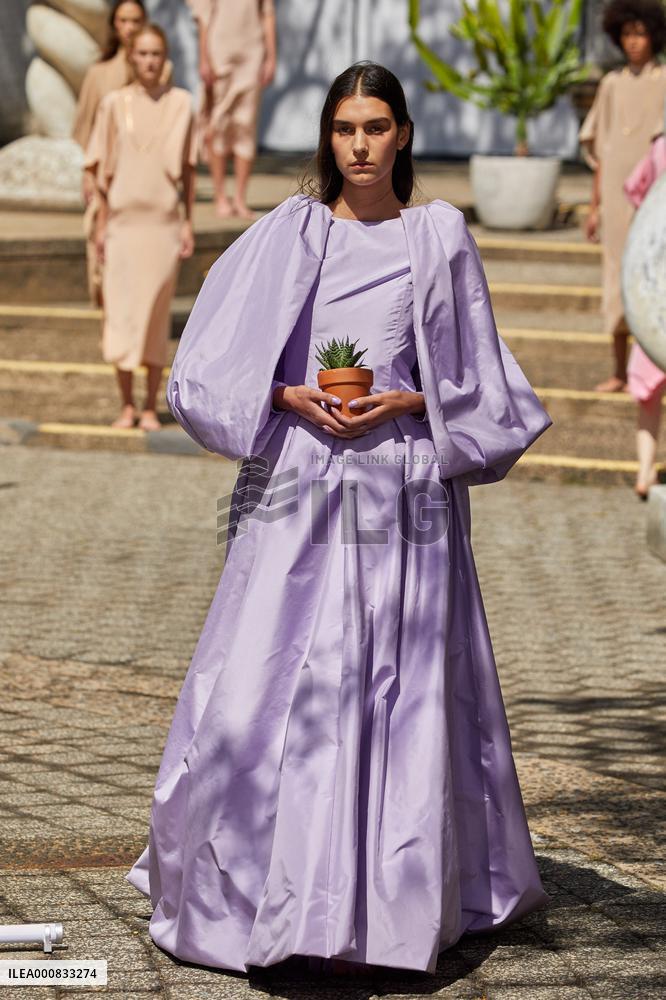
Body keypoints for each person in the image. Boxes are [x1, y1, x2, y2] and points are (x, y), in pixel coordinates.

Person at [125, 62, 552, 976]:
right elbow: (208, 365)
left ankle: (392, 901)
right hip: (300, 478)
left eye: (377, 127)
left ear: (404, 135)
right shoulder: (293, 231)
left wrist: (410, 402)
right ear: (329, 137)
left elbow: (481, 380)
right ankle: (259, 890)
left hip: (401, 485)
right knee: (274, 670)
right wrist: (288, 394)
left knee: (398, 679)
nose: (360, 146)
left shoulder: (438, 236)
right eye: (345, 128)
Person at [83, 25, 196, 431]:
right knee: (121, 316)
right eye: (143, 53)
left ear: (165, 58)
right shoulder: (113, 104)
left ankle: (150, 405)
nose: (149, 61)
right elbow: (99, 171)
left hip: (162, 225)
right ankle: (127, 404)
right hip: (121, 225)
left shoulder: (182, 103)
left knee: (153, 316)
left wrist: (188, 223)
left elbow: (188, 169)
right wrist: (100, 227)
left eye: (156, 54)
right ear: (131, 57)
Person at [580, 0, 666, 392]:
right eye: (627, 34)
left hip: (656, 195)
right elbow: (601, 152)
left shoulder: (663, 79)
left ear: (654, 36)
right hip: (615, 196)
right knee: (616, 278)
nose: (634, 42)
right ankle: (619, 371)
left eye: (641, 33)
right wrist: (594, 206)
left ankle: (652, 373)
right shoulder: (611, 84)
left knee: (656, 275)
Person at [72, 0, 173, 307]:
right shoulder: (99, 73)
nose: (129, 28)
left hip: (148, 184)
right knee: (102, 261)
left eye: (135, 20)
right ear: (114, 25)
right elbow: (85, 128)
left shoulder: (163, 72)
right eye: (123, 21)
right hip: (108, 180)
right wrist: (88, 175)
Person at [187, 0, 277, 219]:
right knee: (218, 123)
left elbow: (267, 14)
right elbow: (203, 16)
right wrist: (204, 58)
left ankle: (239, 199)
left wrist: (271, 57)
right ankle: (220, 196)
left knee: (246, 124)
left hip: (252, 52)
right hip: (219, 50)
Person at [623, 114, 666, 498]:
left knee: (649, 390)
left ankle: (645, 469)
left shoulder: (659, 147)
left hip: (657, 282)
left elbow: (637, 191)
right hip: (657, 282)